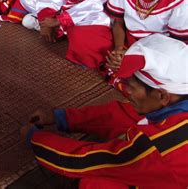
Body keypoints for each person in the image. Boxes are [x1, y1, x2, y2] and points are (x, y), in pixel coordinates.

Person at [20, 34, 188, 188]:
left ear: (162, 96)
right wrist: (61, 117)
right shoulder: (175, 100)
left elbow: (85, 161)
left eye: (133, 86)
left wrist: (34, 138)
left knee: (95, 183)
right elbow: (120, 114)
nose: (127, 91)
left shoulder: (156, 145)